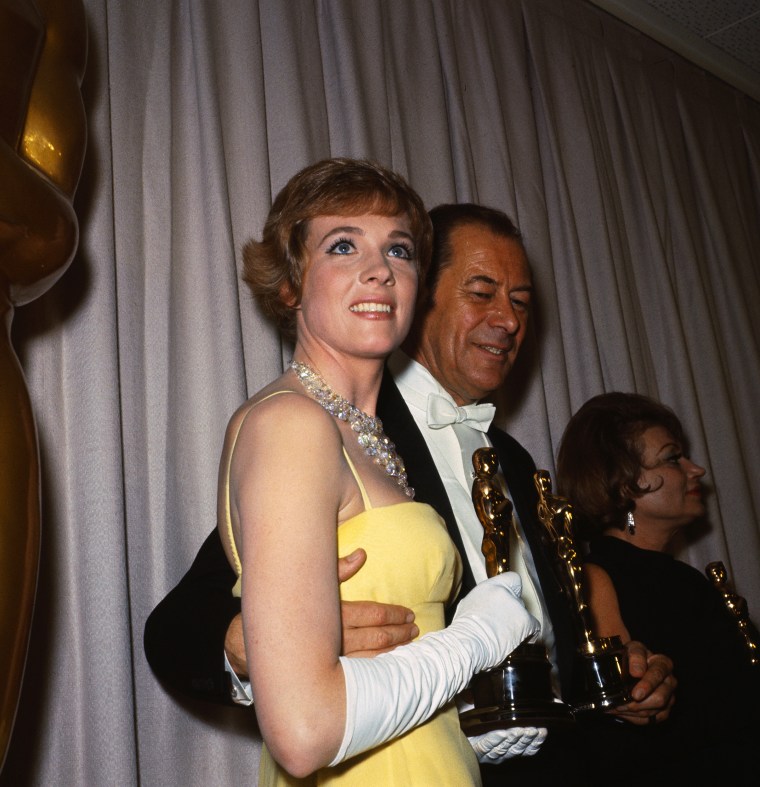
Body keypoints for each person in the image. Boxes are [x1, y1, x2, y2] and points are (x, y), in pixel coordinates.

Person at [145, 202, 675, 785]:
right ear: (420, 298)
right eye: (482, 293)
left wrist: (613, 680)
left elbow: (542, 633)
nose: (508, 320)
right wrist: (257, 644)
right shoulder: (341, 432)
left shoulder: (516, 462)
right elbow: (179, 626)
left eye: (520, 302)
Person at [208, 158, 542, 784]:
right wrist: (472, 644)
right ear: (290, 285)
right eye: (342, 246)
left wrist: (466, 715)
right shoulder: (293, 426)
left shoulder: (365, 434)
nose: (379, 270)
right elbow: (305, 733)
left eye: (399, 249)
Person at [556, 391, 760, 784]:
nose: (696, 469)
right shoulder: (594, 582)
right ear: (621, 486)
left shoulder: (688, 582)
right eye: (672, 458)